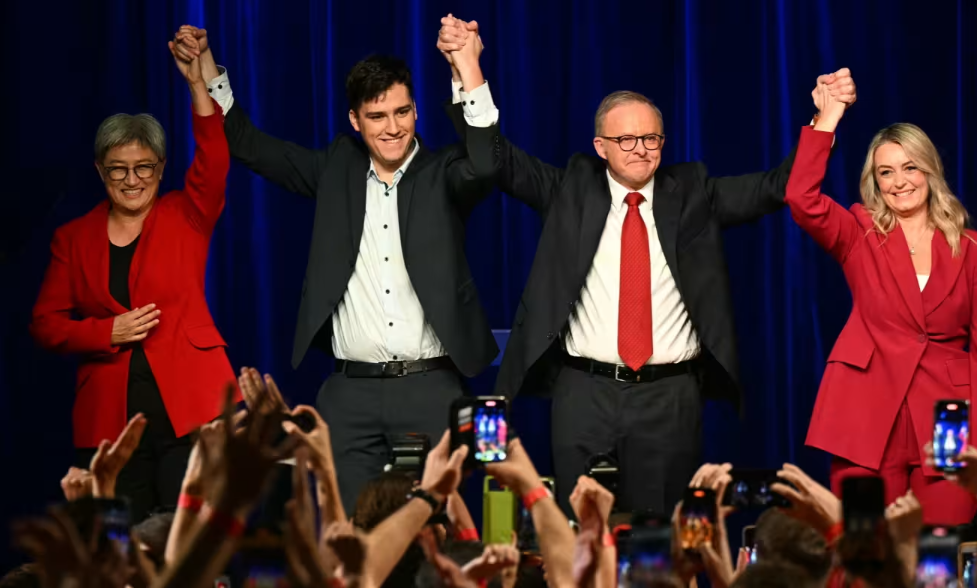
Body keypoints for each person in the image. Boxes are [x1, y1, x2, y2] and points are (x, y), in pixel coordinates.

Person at [437, 18, 857, 516]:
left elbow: (776, 187)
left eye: (651, 139)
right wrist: (468, 70)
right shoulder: (570, 189)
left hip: (669, 397)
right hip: (584, 394)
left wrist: (826, 118)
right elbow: (497, 159)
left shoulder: (693, 193)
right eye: (627, 140)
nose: (640, 149)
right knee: (581, 532)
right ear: (601, 147)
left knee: (661, 535)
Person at [170, 21, 497, 514]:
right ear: (355, 120)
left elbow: (488, 163)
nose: (392, 127)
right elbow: (249, 144)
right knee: (348, 533)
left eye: (402, 112)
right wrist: (206, 69)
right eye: (377, 116)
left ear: (416, 110)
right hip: (350, 395)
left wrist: (467, 67)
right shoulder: (336, 169)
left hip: (430, 387)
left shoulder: (444, 172)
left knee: (434, 529)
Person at [785, 76, 977, 524]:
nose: (899, 182)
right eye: (886, 172)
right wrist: (828, 118)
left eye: (910, 167)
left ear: (929, 171)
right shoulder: (859, 232)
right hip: (865, 412)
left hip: (946, 422)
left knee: (938, 551)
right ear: (875, 181)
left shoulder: (976, 249)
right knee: (866, 546)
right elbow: (801, 198)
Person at [29, 36, 235, 522]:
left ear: (161, 169)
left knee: (189, 541)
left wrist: (198, 87)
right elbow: (44, 324)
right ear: (100, 171)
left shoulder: (187, 214)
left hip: (192, 411)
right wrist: (107, 331)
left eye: (143, 167)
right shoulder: (72, 238)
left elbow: (214, 158)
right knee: (118, 544)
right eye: (117, 170)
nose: (131, 180)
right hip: (110, 423)